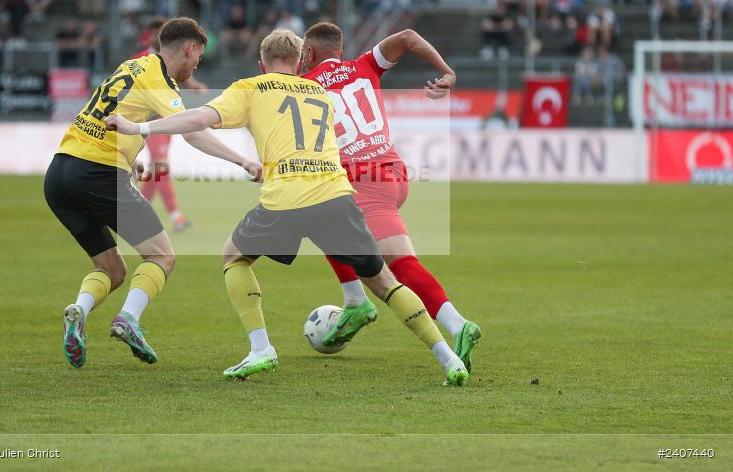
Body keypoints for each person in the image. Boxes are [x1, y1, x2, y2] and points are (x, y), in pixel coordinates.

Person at [106, 29, 470, 385]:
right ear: (299, 64)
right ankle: (447, 356)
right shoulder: (319, 91)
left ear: (262, 64)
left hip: (286, 197)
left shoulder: (250, 88)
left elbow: (199, 119)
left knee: (233, 256)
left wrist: (140, 130)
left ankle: (261, 348)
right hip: (335, 193)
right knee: (385, 281)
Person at [45, 17, 260, 369]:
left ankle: (79, 311)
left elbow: (105, 118)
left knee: (111, 269)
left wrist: (128, 162)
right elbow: (193, 131)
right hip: (98, 174)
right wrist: (242, 161)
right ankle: (128, 318)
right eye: (198, 58)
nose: (195, 67)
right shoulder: (159, 79)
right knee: (162, 257)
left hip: (60, 173)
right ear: (189, 48)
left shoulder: (132, 65)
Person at [299, 22, 480, 370]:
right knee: (319, 218)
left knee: (399, 265)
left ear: (308, 54)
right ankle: (354, 301)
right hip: (391, 173)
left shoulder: (302, 86)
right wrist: (446, 72)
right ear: (340, 50)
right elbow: (410, 36)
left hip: (364, 182)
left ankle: (458, 325)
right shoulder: (365, 64)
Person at [132, 17, 207, 231]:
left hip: (167, 119)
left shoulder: (170, 58)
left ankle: (140, 212)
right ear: (150, 35)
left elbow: (178, 76)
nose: (157, 36)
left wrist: (194, 85)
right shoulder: (140, 60)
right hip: (152, 122)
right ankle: (175, 216)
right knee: (161, 166)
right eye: (155, 32)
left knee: (159, 168)